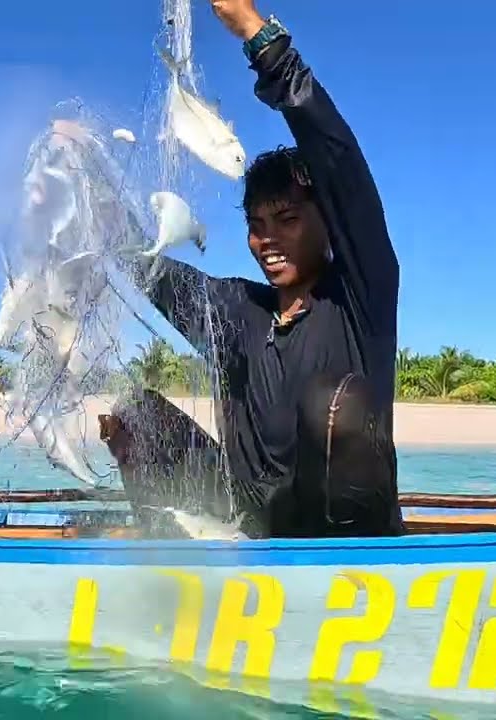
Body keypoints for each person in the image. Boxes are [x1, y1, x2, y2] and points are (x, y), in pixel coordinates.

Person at [101, 1, 403, 540]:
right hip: (248, 534)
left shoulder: (361, 295)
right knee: (133, 411)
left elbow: (339, 161)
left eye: (287, 219)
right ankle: (163, 555)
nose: (267, 239)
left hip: (349, 541)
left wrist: (258, 37)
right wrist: (83, 180)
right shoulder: (237, 312)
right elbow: (142, 265)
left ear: (328, 223)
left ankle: (335, 566)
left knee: (333, 403)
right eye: (256, 224)